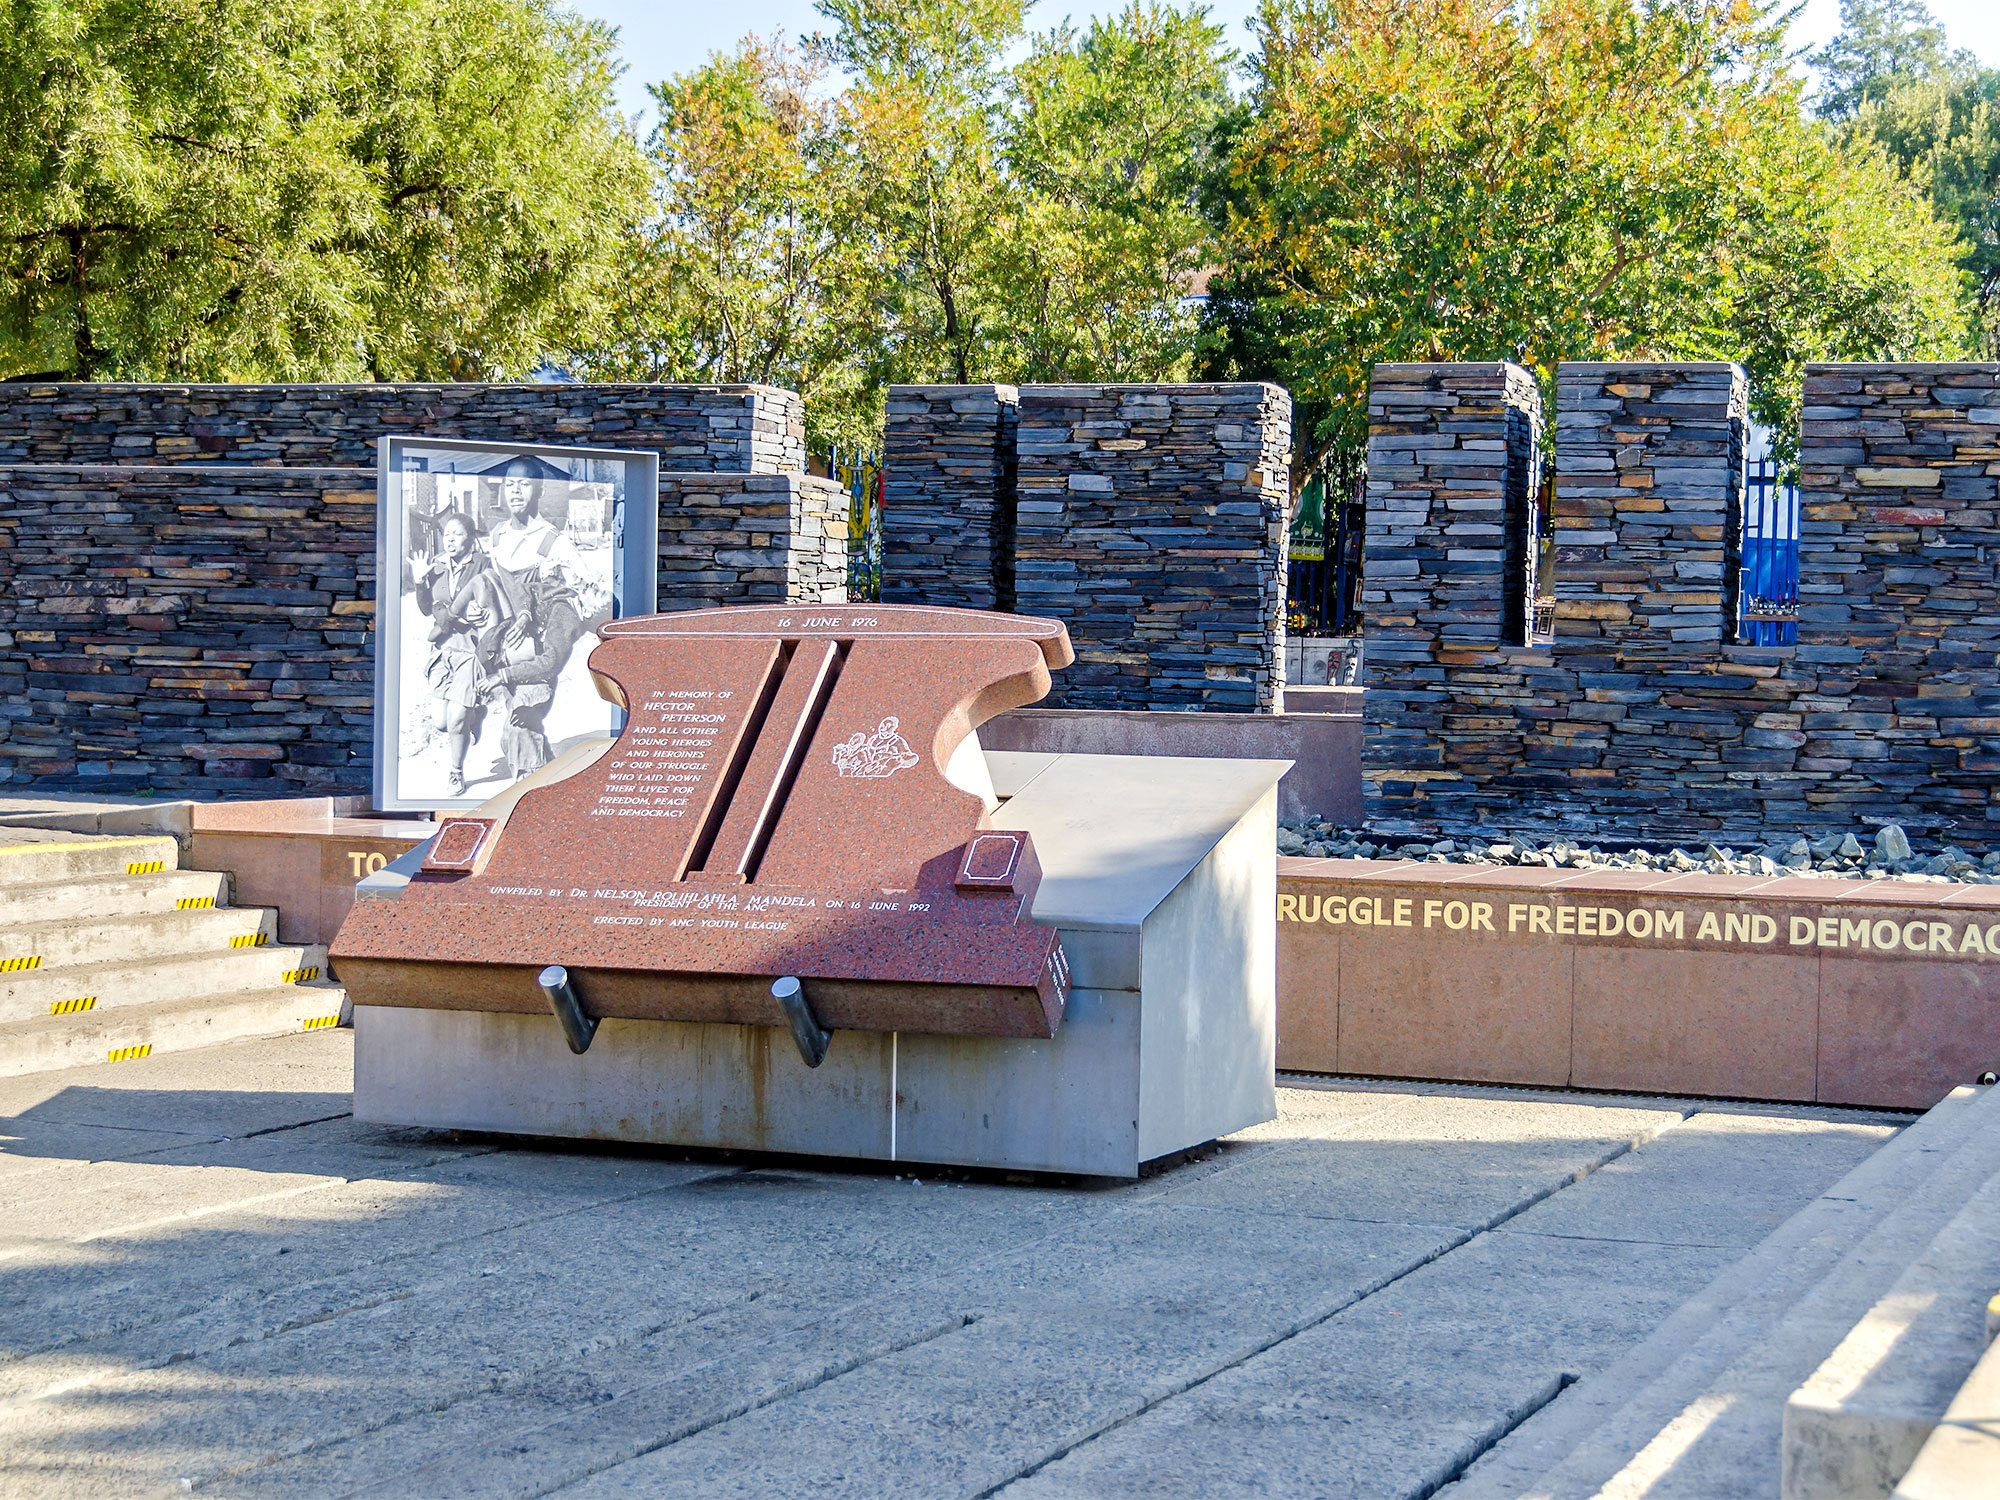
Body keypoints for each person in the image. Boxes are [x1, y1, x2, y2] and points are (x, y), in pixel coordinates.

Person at [414, 512, 509, 796]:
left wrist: (478, 611)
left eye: (457, 534)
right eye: (447, 534)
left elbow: (494, 605)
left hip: (470, 649)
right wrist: (420, 582)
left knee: (455, 718)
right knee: (441, 722)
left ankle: (456, 772)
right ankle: (475, 714)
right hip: (443, 648)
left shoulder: (484, 565)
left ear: (470, 538)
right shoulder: (437, 568)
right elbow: (426, 607)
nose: (450, 539)